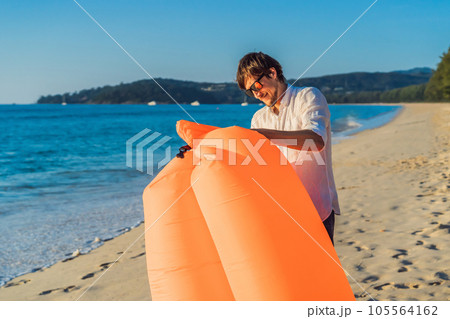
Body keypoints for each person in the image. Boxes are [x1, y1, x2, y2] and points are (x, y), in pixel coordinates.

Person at [236, 52, 340, 244]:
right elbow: (254, 165)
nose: (256, 94)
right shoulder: (259, 118)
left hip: (316, 211)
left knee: (320, 273)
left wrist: (265, 135)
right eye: (250, 92)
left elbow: (316, 141)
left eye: (256, 85)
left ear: (272, 73)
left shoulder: (308, 96)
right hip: (280, 213)